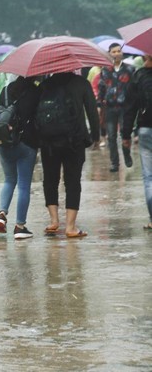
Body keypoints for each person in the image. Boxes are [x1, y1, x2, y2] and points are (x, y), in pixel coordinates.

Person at [38, 72, 100, 238]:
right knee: (72, 181)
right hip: (75, 141)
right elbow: (92, 111)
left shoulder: (45, 84)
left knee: (50, 179)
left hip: (49, 142)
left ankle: (54, 221)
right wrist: (96, 136)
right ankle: (71, 227)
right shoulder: (81, 83)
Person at [0, 76, 41, 239]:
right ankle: (20, 227)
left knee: (8, 180)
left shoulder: (6, 90)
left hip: (5, 142)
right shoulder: (36, 91)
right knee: (23, 185)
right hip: (26, 143)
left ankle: (1, 214)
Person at [122, 54, 152, 230]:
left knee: (149, 177)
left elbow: (129, 108)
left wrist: (126, 135)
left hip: (146, 130)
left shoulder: (138, 77)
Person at [98, 43, 135, 171]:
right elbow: (101, 87)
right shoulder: (105, 70)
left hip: (125, 107)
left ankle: (126, 154)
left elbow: (134, 88)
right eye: (114, 52)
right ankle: (114, 163)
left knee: (125, 133)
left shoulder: (130, 69)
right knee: (111, 136)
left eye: (119, 51)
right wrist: (99, 104)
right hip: (109, 107)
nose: (117, 53)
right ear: (109, 53)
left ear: (122, 52)